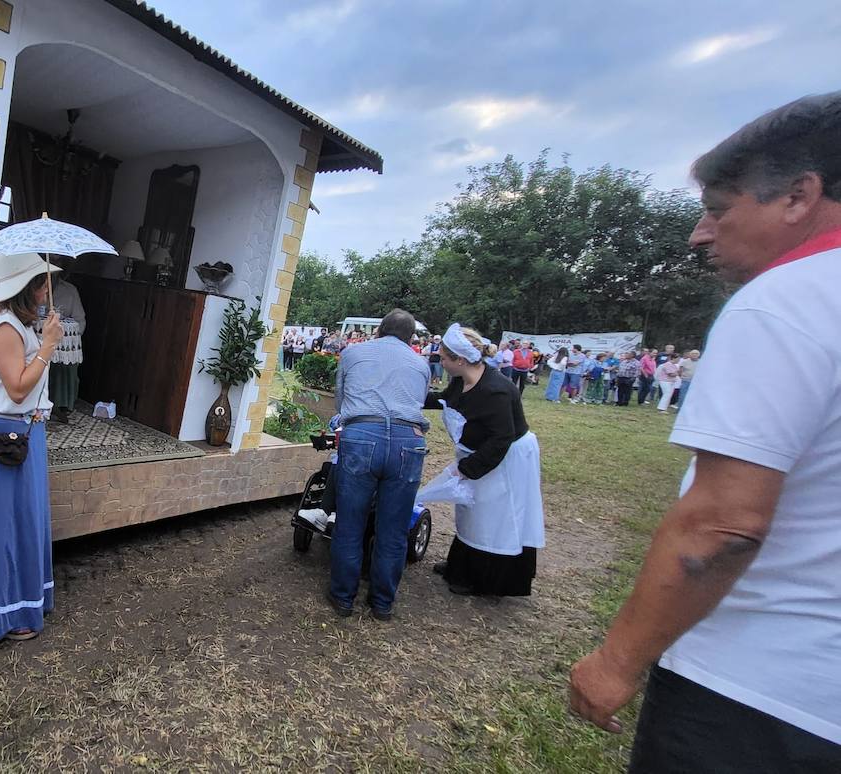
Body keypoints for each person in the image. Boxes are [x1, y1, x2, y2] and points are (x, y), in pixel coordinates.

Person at [569, 91, 841, 772]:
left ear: (798, 196)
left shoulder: (785, 301)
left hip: (756, 689)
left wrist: (616, 659)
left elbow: (723, 523)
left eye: (719, 209)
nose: (700, 233)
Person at [0, 252, 62, 641]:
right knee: (8, 523)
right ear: (22, 287)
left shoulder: (9, 321)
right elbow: (18, 389)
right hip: (8, 434)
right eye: (40, 284)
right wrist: (49, 346)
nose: (44, 292)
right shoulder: (2, 327)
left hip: (21, 431)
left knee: (22, 518)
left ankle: (19, 603)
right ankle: (3, 613)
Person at [326, 309, 430, 620]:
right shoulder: (421, 363)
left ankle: (343, 597)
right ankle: (382, 604)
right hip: (407, 442)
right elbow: (417, 402)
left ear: (379, 331)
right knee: (395, 529)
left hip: (362, 435)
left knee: (350, 523)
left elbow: (342, 399)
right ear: (411, 338)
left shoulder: (353, 352)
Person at [426, 324, 544, 596]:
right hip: (478, 453)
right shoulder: (461, 381)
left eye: (443, 357)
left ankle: (484, 581)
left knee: (494, 517)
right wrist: (408, 399)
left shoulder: (496, 390)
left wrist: (468, 469)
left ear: (460, 360)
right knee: (471, 512)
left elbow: (501, 438)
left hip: (504, 460)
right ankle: (461, 567)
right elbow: (445, 400)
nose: (440, 361)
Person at [46, 261, 86, 424]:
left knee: (68, 362)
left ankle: (61, 404)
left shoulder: (70, 290)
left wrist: (71, 340)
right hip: (40, 338)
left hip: (63, 341)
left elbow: (80, 320)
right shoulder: (36, 288)